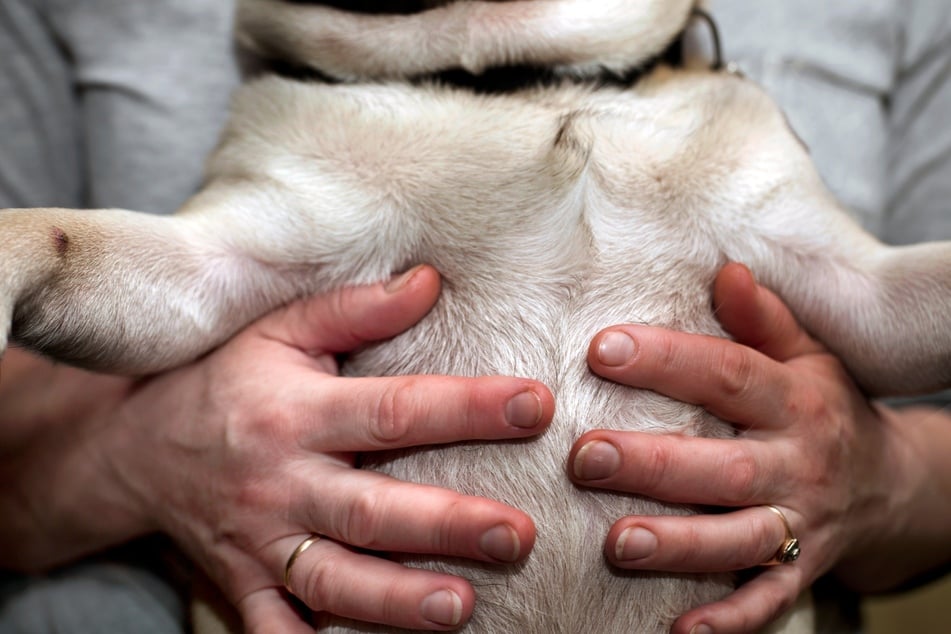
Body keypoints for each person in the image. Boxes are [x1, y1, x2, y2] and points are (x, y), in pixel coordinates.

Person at [1, 2, 949, 634]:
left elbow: (884, 312)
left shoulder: (728, 113)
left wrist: (882, 473)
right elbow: (182, 280)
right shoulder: (300, 106)